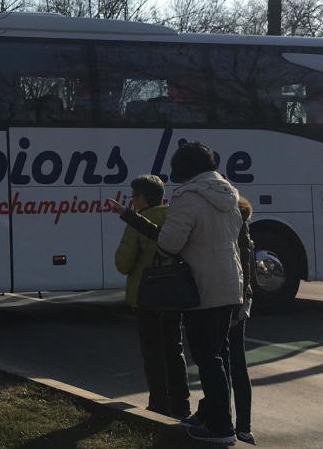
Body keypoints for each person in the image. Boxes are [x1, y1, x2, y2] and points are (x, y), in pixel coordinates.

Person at [113, 142, 244, 445]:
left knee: (207, 358)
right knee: (218, 355)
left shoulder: (187, 198)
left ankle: (221, 427)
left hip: (201, 287)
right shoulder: (229, 194)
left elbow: (169, 244)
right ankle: (211, 414)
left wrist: (134, 220)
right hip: (228, 284)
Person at [110, 174, 190, 419]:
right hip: (175, 295)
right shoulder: (174, 219)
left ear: (142, 198)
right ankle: (182, 403)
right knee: (175, 349)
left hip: (147, 297)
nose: (132, 201)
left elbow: (123, 263)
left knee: (153, 352)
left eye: (133, 196)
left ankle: (158, 403)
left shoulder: (139, 222)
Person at [227, 196, 257, 445]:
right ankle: (244, 426)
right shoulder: (244, 231)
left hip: (232, 302)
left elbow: (241, 270)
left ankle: (227, 421)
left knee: (225, 363)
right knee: (237, 363)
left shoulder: (233, 232)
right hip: (241, 301)